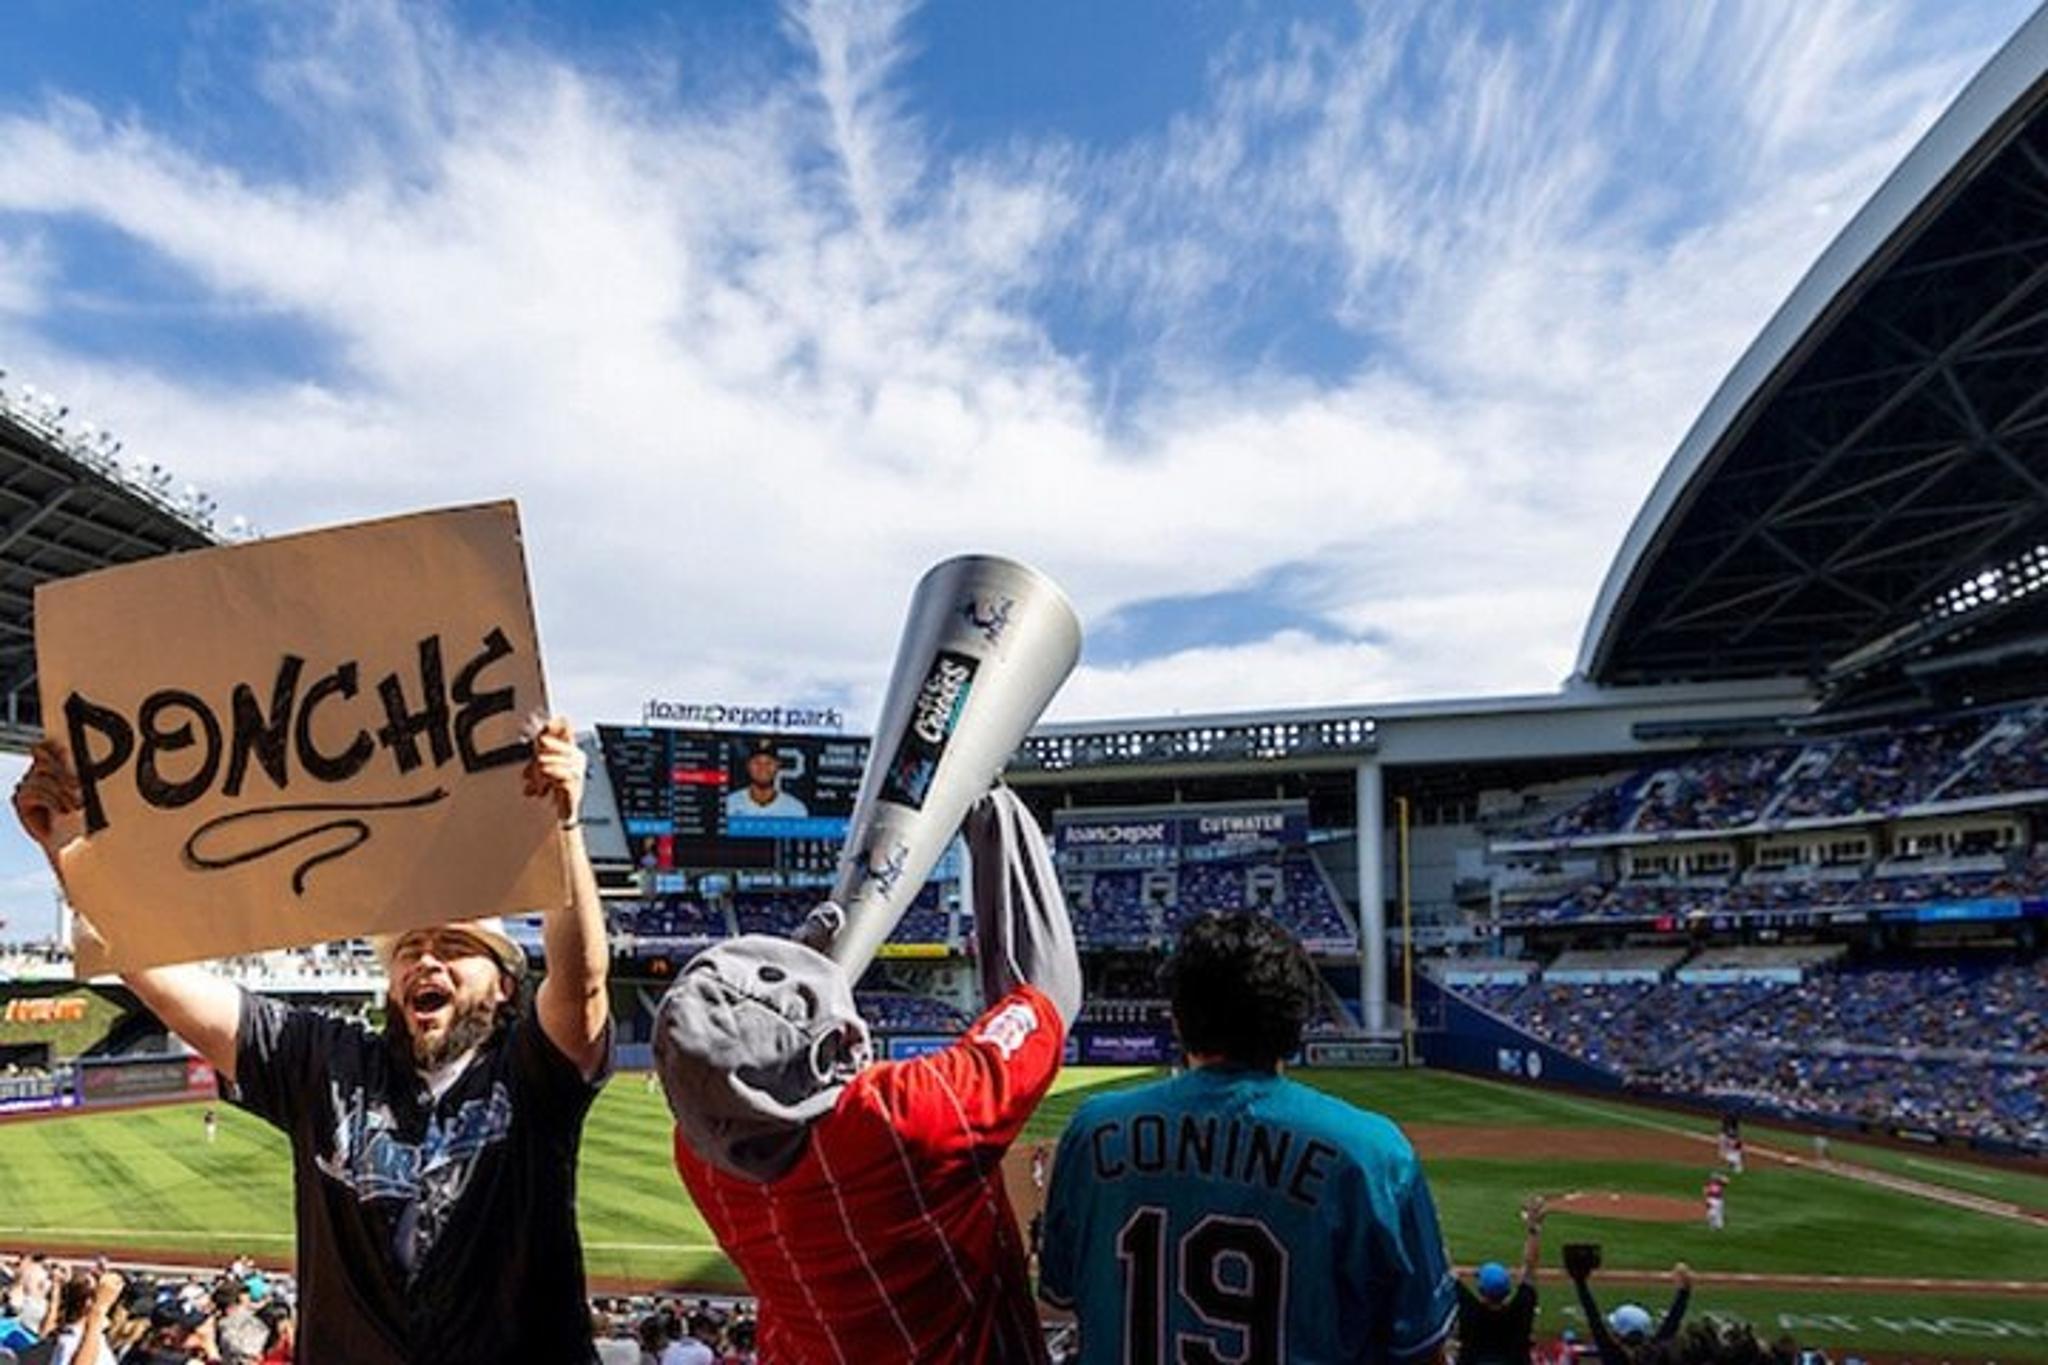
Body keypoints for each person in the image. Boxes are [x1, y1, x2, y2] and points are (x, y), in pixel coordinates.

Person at [12, 717, 612, 1365]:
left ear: (504, 987)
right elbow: (163, 981)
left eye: (456, 947)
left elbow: (581, 984)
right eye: (411, 948)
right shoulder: (327, 1060)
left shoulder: (527, 1071)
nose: (427, 961)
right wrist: (70, 848)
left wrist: (563, 827)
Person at [656, 787, 1081, 1363]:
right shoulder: (902, 1118)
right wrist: (991, 805)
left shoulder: (698, 1157)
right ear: (828, 1052)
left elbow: (739, 1075)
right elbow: (1047, 1001)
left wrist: (799, 988)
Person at [1039, 911, 1458, 1364]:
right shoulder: (1373, 1154)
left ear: (1178, 1018)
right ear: (1298, 1019)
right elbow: (1421, 1348)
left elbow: (1062, 1295)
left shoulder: (1093, 1131)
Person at [1456, 1195, 1546, 1365]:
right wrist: (1534, 1229)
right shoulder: (1521, 1312)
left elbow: (1444, 1268)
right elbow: (1529, 1269)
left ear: (1481, 1291)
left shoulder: (1469, 1311)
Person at [1567, 1261, 1689, 1365]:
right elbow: (1670, 1325)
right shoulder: (1654, 1354)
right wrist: (1684, 1292)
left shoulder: (1614, 1356)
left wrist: (1580, 1282)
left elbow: (1594, 1320)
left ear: (1622, 1333)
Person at [722, 738, 808, 819]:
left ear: (777, 766)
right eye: (757, 762)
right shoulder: (730, 804)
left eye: (769, 763)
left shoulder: (795, 809)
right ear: (748, 766)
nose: (762, 768)